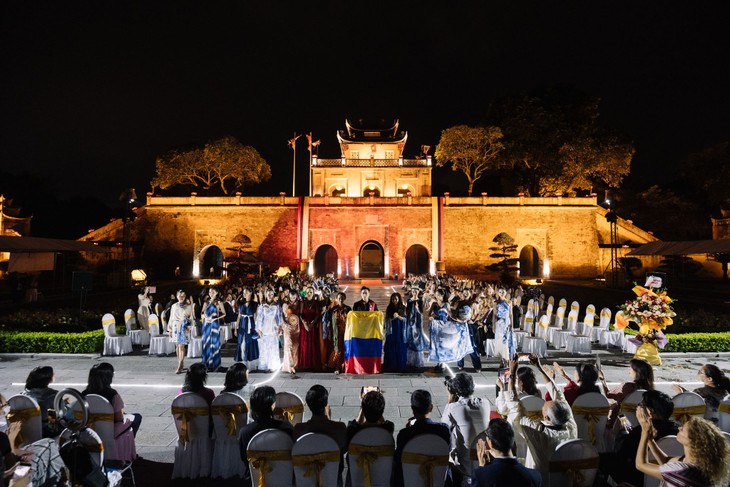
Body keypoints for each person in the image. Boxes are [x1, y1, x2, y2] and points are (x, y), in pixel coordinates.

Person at [505, 354, 577, 485]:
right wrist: (539, 367)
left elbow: (514, 406)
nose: (543, 404)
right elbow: (558, 394)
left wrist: (512, 373)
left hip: (540, 482)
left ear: (546, 417)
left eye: (543, 407)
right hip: (564, 482)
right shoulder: (570, 425)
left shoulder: (537, 431)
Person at [599, 390, 679, 486]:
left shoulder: (639, 433)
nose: (637, 407)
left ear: (650, 412)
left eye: (641, 404)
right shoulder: (678, 431)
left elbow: (623, 462)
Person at [636, 409, 730, 486]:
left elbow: (641, 465)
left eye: (683, 429)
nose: (679, 428)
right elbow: (665, 461)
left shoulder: (684, 471)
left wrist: (644, 431)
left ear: (693, 441)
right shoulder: (697, 462)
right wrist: (650, 440)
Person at [81, 362, 141, 462]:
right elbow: (119, 418)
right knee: (137, 417)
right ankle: (124, 450)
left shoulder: (83, 394)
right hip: (109, 431)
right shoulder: (112, 394)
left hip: (89, 430)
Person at [392, 389, 450, 486]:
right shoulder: (444, 430)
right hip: (438, 481)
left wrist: (409, 430)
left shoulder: (404, 434)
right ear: (431, 408)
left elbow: (398, 459)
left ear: (412, 409)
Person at [442, 372, 489, 486]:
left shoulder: (454, 408)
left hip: (465, 468)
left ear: (456, 390)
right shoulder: (485, 403)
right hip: (484, 459)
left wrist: (450, 401)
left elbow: (444, 427)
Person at [238, 386, 293, 484]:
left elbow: (245, 459)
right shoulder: (286, 428)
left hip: (256, 478)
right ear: (272, 405)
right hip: (284, 476)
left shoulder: (245, 432)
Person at [472, 418, 542, 486]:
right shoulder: (534, 476)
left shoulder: (481, 476)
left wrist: (482, 468)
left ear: (490, 443)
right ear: (512, 441)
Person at [601, 358, 654, 427]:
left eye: (630, 369)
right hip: (641, 421)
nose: (629, 371)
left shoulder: (629, 386)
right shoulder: (649, 387)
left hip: (624, 420)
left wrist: (602, 379)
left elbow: (609, 394)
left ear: (636, 372)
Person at [293, 385, 347, 451]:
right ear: (326, 403)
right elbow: (343, 450)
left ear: (308, 405)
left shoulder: (299, 429)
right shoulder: (340, 428)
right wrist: (328, 419)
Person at [21, 366, 59, 438]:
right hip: (45, 433)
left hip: (26, 430)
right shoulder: (53, 395)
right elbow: (53, 420)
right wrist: (60, 403)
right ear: (48, 379)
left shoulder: (22, 395)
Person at [255, 287, 282, 372]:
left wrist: (280, 327)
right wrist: (259, 329)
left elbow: (279, 317)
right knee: (264, 348)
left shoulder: (277, 305)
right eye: (268, 294)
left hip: (273, 327)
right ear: (265, 294)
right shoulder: (262, 305)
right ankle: (264, 364)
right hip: (264, 327)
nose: (270, 296)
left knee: (273, 347)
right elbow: (259, 318)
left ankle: (273, 365)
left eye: (272, 294)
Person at [297, 287, 324, 371]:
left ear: (313, 293)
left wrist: (312, 323)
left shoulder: (316, 303)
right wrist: (305, 324)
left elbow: (317, 314)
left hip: (313, 326)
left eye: (311, 292)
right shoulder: (302, 303)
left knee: (313, 344)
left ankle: (313, 364)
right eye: (308, 292)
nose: (309, 293)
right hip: (304, 326)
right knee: (304, 344)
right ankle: (305, 364)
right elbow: (300, 314)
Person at [167, 289, 193, 374]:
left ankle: (180, 364)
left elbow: (191, 318)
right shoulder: (174, 306)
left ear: (185, 297)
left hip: (183, 326)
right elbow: (171, 317)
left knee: (182, 346)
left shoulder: (188, 306)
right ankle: (180, 362)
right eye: (179, 295)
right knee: (177, 346)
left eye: (183, 296)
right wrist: (170, 329)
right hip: (175, 326)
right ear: (177, 296)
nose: (181, 297)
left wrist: (189, 327)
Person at [326, 291, 351, 373]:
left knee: (346, 349)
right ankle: (337, 367)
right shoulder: (333, 309)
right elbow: (329, 322)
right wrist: (329, 332)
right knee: (337, 348)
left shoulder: (348, 309)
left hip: (346, 332)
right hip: (336, 332)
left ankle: (345, 366)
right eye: (339, 298)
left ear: (345, 299)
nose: (341, 299)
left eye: (342, 298)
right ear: (337, 299)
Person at [383, 292, 408, 372]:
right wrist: (393, 318)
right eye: (393, 299)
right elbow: (386, 319)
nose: (394, 301)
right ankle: (391, 365)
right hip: (391, 331)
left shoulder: (403, 308)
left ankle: (400, 365)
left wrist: (398, 317)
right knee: (390, 347)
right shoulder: (389, 308)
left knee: (400, 346)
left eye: (396, 299)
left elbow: (405, 319)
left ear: (399, 299)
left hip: (400, 331)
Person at [202, 287, 225, 372]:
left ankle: (215, 364)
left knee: (214, 343)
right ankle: (206, 364)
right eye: (210, 292)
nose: (211, 293)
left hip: (214, 324)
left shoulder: (218, 302)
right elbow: (202, 312)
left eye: (213, 292)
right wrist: (205, 317)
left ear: (216, 293)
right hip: (206, 324)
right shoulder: (206, 302)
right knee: (207, 342)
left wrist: (215, 318)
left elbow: (224, 313)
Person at [236, 287, 259, 367]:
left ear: (250, 293)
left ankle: (250, 363)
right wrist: (236, 328)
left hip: (251, 325)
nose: (245, 294)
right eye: (244, 292)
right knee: (241, 343)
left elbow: (256, 317)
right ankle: (242, 361)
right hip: (242, 325)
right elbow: (238, 317)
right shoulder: (241, 304)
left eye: (246, 292)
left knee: (250, 343)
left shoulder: (255, 304)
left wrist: (257, 329)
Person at [405, 286, 426, 369]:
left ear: (418, 292)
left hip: (417, 323)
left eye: (416, 291)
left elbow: (421, 313)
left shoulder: (420, 301)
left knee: (417, 340)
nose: (414, 293)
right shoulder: (409, 301)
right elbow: (407, 312)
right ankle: (410, 361)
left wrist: (417, 308)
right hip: (410, 322)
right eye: (413, 291)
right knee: (410, 339)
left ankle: (417, 361)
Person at [493, 288, 515, 365]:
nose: (501, 293)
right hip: (499, 324)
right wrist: (493, 326)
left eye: (503, 292)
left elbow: (511, 314)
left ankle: (507, 359)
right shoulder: (496, 302)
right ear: (498, 293)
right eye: (500, 292)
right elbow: (494, 315)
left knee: (506, 342)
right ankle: (501, 360)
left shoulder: (509, 302)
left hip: (507, 323)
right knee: (499, 342)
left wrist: (512, 325)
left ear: (505, 292)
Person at [281, 288, 301, 374]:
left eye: (294, 296)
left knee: (296, 346)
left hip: (297, 328)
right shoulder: (286, 305)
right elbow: (282, 315)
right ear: (289, 296)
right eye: (291, 296)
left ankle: (295, 364)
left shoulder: (299, 304)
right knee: (288, 346)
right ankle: (289, 366)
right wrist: (285, 322)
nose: (292, 298)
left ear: (296, 296)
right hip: (288, 327)